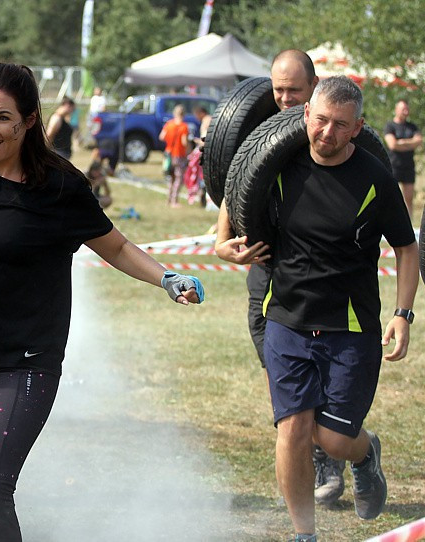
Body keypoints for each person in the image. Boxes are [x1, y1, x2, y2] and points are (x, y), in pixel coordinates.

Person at [0, 62, 204, 542]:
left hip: (23, 363)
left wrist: (167, 277)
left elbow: (117, 246)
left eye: (1, 117)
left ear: (29, 120)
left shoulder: (60, 188)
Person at [263, 75, 418, 541]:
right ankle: (304, 534)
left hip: (349, 325)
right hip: (287, 318)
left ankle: (366, 453)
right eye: (322, 120)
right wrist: (221, 241)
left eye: (340, 125)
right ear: (306, 113)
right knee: (293, 428)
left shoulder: (374, 177)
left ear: (358, 128)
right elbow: (237, 193)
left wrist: (402, 314)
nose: (327, 133)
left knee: (330, 437)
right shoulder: (279, 161)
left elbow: (406, 247)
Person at [214, 50, 348, 507]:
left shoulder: (327, 133)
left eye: (295, 89)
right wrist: (220, 242)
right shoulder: (260, 131)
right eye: (278, 89)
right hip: (267, 262)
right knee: (276, 360)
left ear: (314, 87)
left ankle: (332, 456)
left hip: (321, 271)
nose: (286, 99)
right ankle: (312, 443)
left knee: (320, 364)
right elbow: (236, 187)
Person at [384, 99, 422, 217]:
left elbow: (419, 141)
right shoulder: (390, 126)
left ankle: (409, 225)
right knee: (390, 197)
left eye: (407, 109)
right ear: (397, 110)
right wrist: (409, 144)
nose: (405, 112)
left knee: (408, 199)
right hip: (394, 165)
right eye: (403, 109)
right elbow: (392, 144)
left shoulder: (412, 126)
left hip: (408, 166)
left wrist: (401, 143)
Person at [159, 104, 189, 207]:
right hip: (179, 154)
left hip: (168, 153)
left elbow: (162, 137)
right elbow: (184, 142)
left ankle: (168, 199)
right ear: (183, 114)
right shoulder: (184, 126)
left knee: (171, 177)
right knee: (178, 178)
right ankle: (174, 201)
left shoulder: (169, 124)